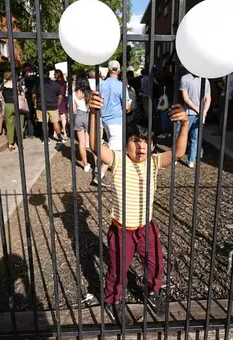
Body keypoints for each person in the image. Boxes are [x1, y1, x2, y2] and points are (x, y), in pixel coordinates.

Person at [88, 91, 190, 326]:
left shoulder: (154, 162)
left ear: (153, 145)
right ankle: (115, 299)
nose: (141, 147)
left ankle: (152, 292)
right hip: (121, 229)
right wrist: (95, 114)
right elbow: (95, 145)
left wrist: (184, 124)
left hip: (147, 227)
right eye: (135, 140)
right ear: (125, 144)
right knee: (117, 270)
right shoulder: (117, 160)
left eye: (146, 141)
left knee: (155, 264)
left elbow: (179, 152)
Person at [95, 60, 131, 186]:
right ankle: (99, 175)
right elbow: (127, 107)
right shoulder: (121, 85)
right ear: (119, 70)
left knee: (111, 145)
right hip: (117, 120)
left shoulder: (101, 85)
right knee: (114, 148)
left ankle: (101, 170)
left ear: (108, 70)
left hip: (104, 120)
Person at [180, 70, 211, 168]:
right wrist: (203, 112)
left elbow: (185, 98)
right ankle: (191, 160)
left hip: (189, 112)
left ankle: (178, 157)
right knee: (194, 138)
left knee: (182, 135)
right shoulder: (205, 80)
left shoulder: (185, 78)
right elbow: (208, 99)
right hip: (197, 113)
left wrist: (202, 112)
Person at [32, 72, 65, 143]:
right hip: (53, 105)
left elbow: (34, 96)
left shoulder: (38, 84)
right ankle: (59, 138)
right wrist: (57, 105)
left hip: (41, 105)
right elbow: (60, 96)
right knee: (55, 122)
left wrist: (35, 105)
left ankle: (46, 139)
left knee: (44, 123)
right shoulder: (55, 84)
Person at [73, 79, 94, 172]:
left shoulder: (74, 93)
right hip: (88, 116)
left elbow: (74, 109)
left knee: (81, 143)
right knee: (93, 140)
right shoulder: (90, 93)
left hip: (78, 116)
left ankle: (85, 165)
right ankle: (97, 163)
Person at [1, 72, 24, 151]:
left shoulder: (2, 86)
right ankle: (20, 143)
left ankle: (10, 144)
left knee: (9, 126)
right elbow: (23, 95)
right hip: (17, 105)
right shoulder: (17, 85)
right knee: (20, 125)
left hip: (8, 105)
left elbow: (2, 97)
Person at [23, 64, 38, 139]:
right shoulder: (37, 79)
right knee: (38, 115)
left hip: (28, 99)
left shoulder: (25, 79)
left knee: (29, 116)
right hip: (38, 98)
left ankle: (30, 133)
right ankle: (39, 131)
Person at [55, 70, 69, 139]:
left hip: (56, 100)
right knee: (63, 117)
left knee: (56, 117)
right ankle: (64, 131)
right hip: (63, 100)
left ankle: (55, 132)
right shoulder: (64, 83)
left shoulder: (55, 83)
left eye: (55, 74)